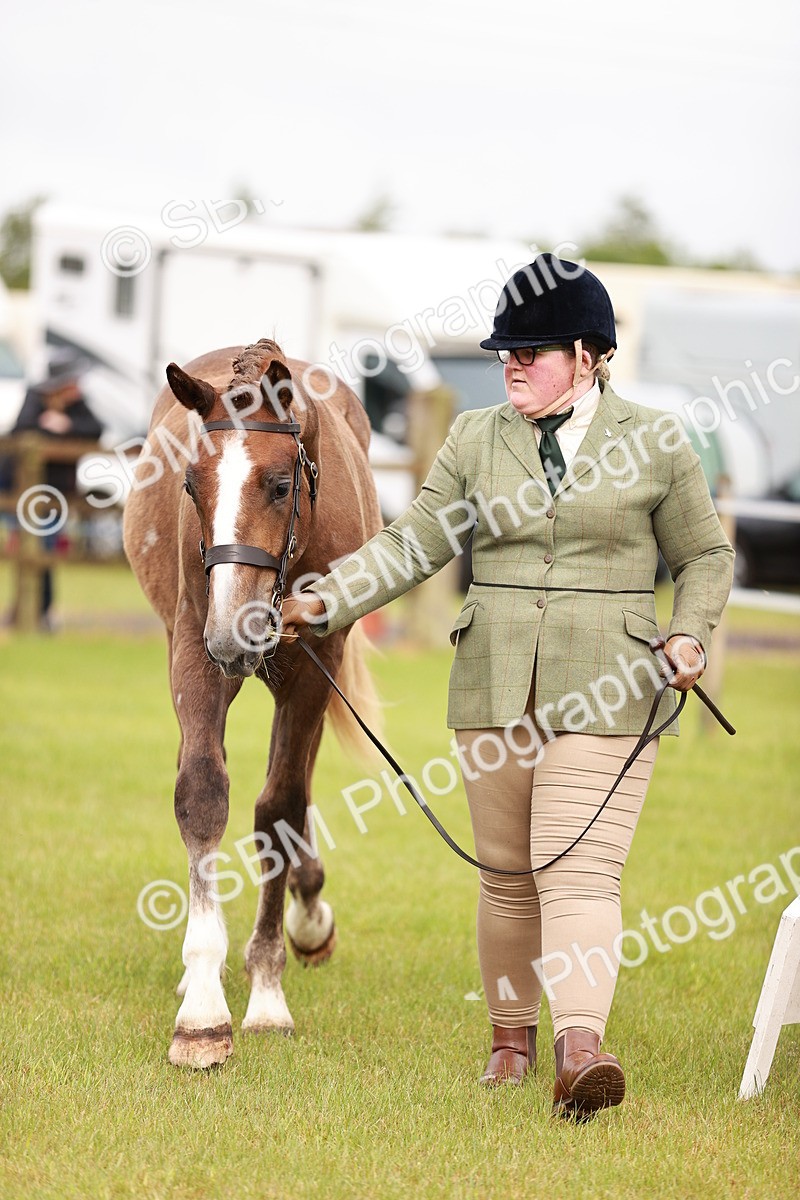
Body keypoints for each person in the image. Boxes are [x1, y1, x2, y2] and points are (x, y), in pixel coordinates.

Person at [280, 254, 734, 1120]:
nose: (511, 365)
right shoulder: (474, 439)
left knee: (580, 870)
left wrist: (690, 629)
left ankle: (582, 1053)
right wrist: (324, 597)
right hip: (493, 682)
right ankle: (508, 1039)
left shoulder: (658, 440)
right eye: (505, 353)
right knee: (506, 877)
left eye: (530, 351)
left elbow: (706, 555)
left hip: (611, 684)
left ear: (588, 353)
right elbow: (415, 544)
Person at [6, 356, 103, 627]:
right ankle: (31, 612)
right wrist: (45, 424)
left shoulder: (77, 407)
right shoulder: (36, 399)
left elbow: (95, 429)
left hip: (53, 494)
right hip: (22, 489)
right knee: (30, 548)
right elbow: (21, 432)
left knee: (42, 549)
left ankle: (37, 612)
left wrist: (65, 425)